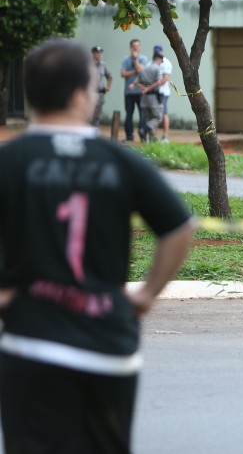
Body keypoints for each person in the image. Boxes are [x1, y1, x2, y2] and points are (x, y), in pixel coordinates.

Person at [0, 39, 195, 453]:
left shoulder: (11, 160)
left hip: (32, 345)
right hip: (108, 347)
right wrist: (144, 295)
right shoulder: (120, 161)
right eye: (92, 88)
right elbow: (180, 227)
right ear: (76, 95)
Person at [120, 39, 148, 142]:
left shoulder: (144, 58)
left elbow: (142, 71)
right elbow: (123, 74)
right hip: (129, 92)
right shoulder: (125, 59)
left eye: (137, 46)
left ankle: (142, 135)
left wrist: (135, 59)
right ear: (130, 47)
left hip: (141, 92)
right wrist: (135, 71)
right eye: (133, 46)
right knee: (129, 114)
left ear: (139, 47)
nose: (135, 48)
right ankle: (129, 136)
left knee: (143, 114)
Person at [135, 53, 164, 143]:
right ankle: (143, 129)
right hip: (153, 97)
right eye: (161, 61)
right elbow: (159, 82)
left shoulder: (145, 68)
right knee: (158, 118)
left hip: (144, 98)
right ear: (158, 59)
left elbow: (136, 82)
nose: (161, 63)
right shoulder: (157, 68)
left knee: (149, 118)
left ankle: (151, 140)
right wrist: (148, 88)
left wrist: (143, 88)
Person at [153, 45, 173, 143]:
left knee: (164, 113)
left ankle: (165, 136)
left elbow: (165, 78)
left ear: (162, 52)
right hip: (154, 92)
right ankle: (154, 136)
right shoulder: (152, 62)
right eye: (155, 51)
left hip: (163, 93)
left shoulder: (166, 63)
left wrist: (151, 86)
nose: (157, 53)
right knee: (155, 114)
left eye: (159, 51)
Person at [90, 46, 112, 127]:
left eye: (100, 53)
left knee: (97, 116)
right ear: (93, 54)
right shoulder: (88, 64)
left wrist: (108, 86)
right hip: (90, 93)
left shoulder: (103, 65)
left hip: (100, 93)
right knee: (89, 116)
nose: (99, 54)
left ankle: (94, 134)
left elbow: (109, 76)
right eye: (97, 53)